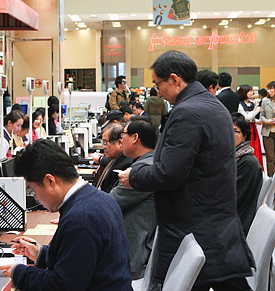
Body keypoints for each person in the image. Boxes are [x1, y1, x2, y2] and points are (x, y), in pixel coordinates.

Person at [119, 50, 254, 290]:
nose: (157, 91)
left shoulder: (188, 112)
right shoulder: (211, 104)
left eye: (158, 84)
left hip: (194, 220)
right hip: (214, 217)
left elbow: (169, 173)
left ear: (174, 79)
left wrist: (135, 176)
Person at [0, 139, 132, 291]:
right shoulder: (97, 199)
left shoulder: (81, 218)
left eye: (33, 190)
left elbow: (62, 285)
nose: (36, 198)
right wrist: (42, 254)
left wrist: (18, 272)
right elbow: (78, 261)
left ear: (50, 181)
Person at [110, 116, 158, 280]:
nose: (121, 139)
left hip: (133, 251)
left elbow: (111, 201)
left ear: (135, 138)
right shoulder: (149, 163)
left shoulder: (144, 170)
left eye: (123, 134)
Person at [232, 113, 263, 236]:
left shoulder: (247, 163)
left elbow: (232, 198)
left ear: (244, 137)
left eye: (234, 131)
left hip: (237, 226)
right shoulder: (232, 157)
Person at [96, 123, 132, 192]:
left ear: (120, 142)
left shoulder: (125, 165)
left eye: (106, 143)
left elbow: (109, 192)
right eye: (103, 143)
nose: (104, 147)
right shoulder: (115, 159)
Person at [237, 84, 263, 169]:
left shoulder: (251, 103)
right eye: (250, 91)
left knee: (256, 148)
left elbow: (253, 118)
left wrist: (258, 121)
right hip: (246, 128)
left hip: (253, 127)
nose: (252, 93)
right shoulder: (240, 105)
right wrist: (257, 110)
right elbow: (247, 117)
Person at [260, 81, 275, 177]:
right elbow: (261, 115)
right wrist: (266, 121)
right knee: (271, 158)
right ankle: (272, 180)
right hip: (268, 132)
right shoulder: (265, 101)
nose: (268, 91)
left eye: (271, 89)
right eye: (268, 89)